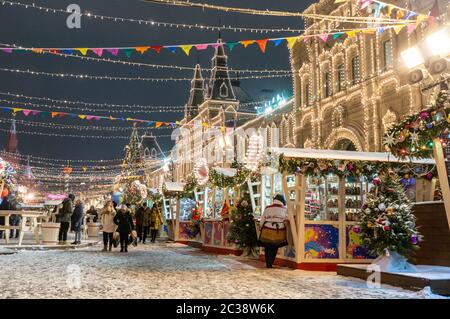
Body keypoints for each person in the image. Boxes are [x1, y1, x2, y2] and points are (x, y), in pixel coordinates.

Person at [259, 194, 289, 268]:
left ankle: (268, 263)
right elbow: (287, 219)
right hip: (278, 231)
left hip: (267, 230)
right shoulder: (285, 209)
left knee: (268, 247)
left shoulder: (267, 208)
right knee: (275, 246)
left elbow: (262, 220)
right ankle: (271, 262)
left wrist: (261, 227)